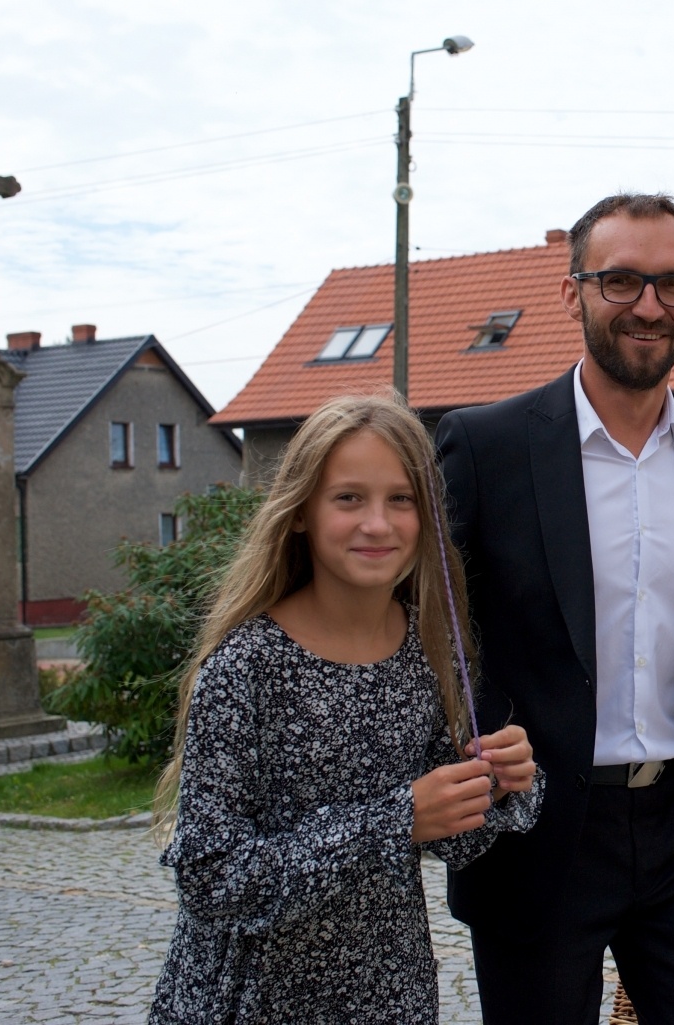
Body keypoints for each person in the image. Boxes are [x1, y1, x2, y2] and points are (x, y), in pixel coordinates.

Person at [437, 192, 674, 1024]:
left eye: (673, 284)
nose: (649, 306)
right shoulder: (485, 446)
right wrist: (468, 751)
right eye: (621, 280)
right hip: (538, 830)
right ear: (572, 292)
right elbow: (442, 634)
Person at [147, 396, 542, 1025]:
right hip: (252, 1004)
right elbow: (210, 877)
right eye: (349, 498)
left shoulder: (427, 648)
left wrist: (499, 783)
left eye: (401, 499)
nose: (377, 524)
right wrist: (396, 821)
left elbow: (453, 838)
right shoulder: (246, 667)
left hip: (390, 997)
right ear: (301, 511)